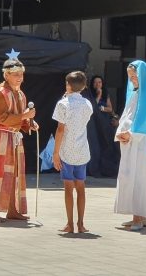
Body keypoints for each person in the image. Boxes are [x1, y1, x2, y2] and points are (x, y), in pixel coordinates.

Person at [0, 59, 38, 223]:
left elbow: (19, 119)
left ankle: (12, 210)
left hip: (13, 138)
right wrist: (24, 116)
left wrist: (29, 124)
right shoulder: (1, 93)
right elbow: (2, 118)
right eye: (16, 74)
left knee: (14, 174)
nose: (20, 77)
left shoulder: (20, 93)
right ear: (6, 75)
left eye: (21, 74)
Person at [114, 60, 146, 231]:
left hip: (141, 143)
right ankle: (139, 216)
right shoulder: (135, 94)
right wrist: (121, 133)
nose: (132, 80)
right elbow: (127, 116)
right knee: (131, 176)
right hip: (130, 142)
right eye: (130, 77)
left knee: (139, 177)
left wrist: (130, 133)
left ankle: (138, 216)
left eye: (134, 77)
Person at [52, 71, 93, 233]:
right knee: (81, 186)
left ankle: (69, 224)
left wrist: (56, 153)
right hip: (82, 150)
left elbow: (60, 129)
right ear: (83, 86)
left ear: (68, 85)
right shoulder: (87, 104)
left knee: (68, 187)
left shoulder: (62, 104)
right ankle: (81, 224)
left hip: (67, 151)